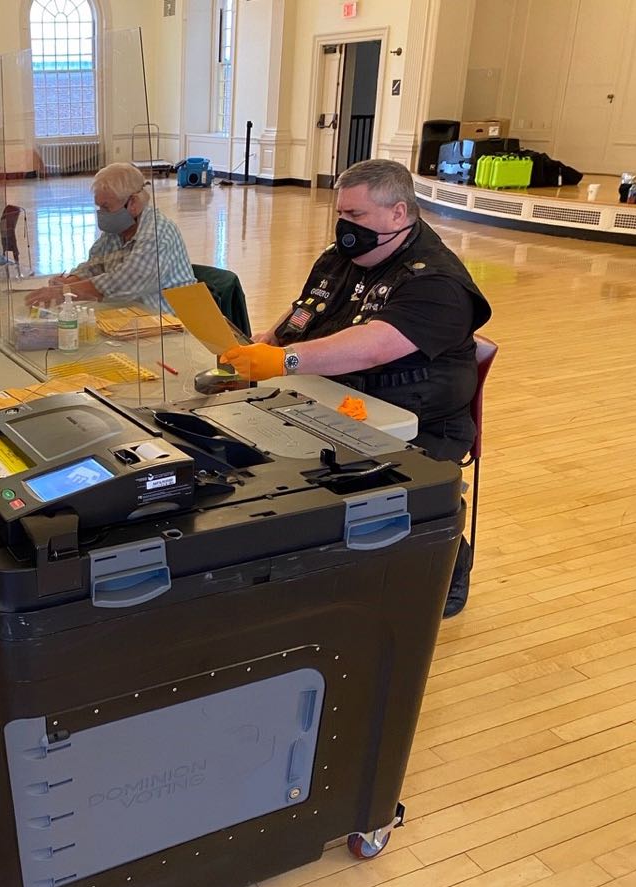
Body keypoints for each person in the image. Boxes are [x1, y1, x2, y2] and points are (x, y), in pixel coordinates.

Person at [221, 158, 491, 619]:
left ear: (398, 214)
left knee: (387, 485)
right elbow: (305, 313)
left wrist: (284, 360)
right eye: (341, 214)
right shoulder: (339, 258)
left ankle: (450, 568)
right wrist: (263, 342)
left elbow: (372, 347)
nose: (345, 226)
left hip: (417, 421)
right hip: (335, 398)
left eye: (357, 216)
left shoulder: (437, 281)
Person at [26, 162, 194, 311]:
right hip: (134, 315)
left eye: (106, 207)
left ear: (133, 203)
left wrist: (65, 292)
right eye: (99, 207)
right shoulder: (118, 231)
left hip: (173, 322)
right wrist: (68, 281)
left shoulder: (157, 233)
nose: (101, 214)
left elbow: (126, 282)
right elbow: (95, 265)